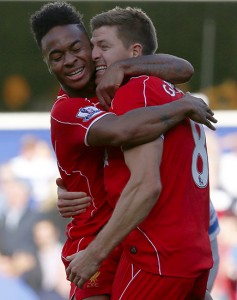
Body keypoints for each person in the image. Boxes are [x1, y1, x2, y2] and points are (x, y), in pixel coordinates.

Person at [30, 2, 216, 299]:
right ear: (49, 64)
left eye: (78, 48)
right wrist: (182, 104)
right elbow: (125, 130)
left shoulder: (120, 84)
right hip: (96, 245)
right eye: (56, 56)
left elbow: (183, 68)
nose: (70, 60)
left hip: (141, 240)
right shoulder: (67, 110)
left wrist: (124, 65)